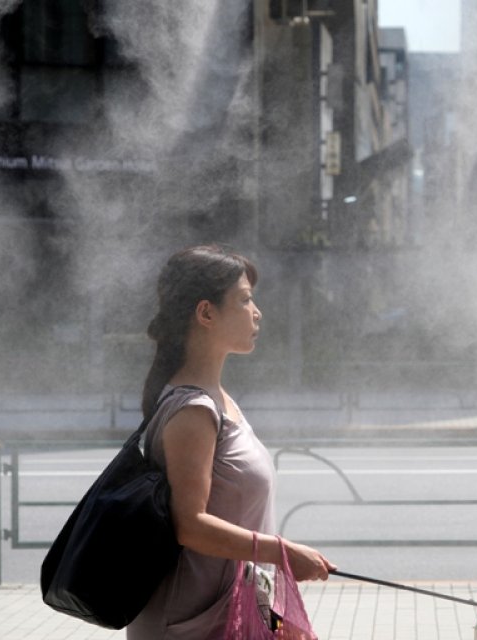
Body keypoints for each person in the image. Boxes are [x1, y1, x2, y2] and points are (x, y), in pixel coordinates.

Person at [127, 245, 335, 639]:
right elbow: (190, 525)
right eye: (244, 299)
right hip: (194, 623)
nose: (256, 312)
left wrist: (276, 614)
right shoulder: (193, 410)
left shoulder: (217, 400)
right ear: (206, 313)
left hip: (229, 613)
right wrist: (283, 552)